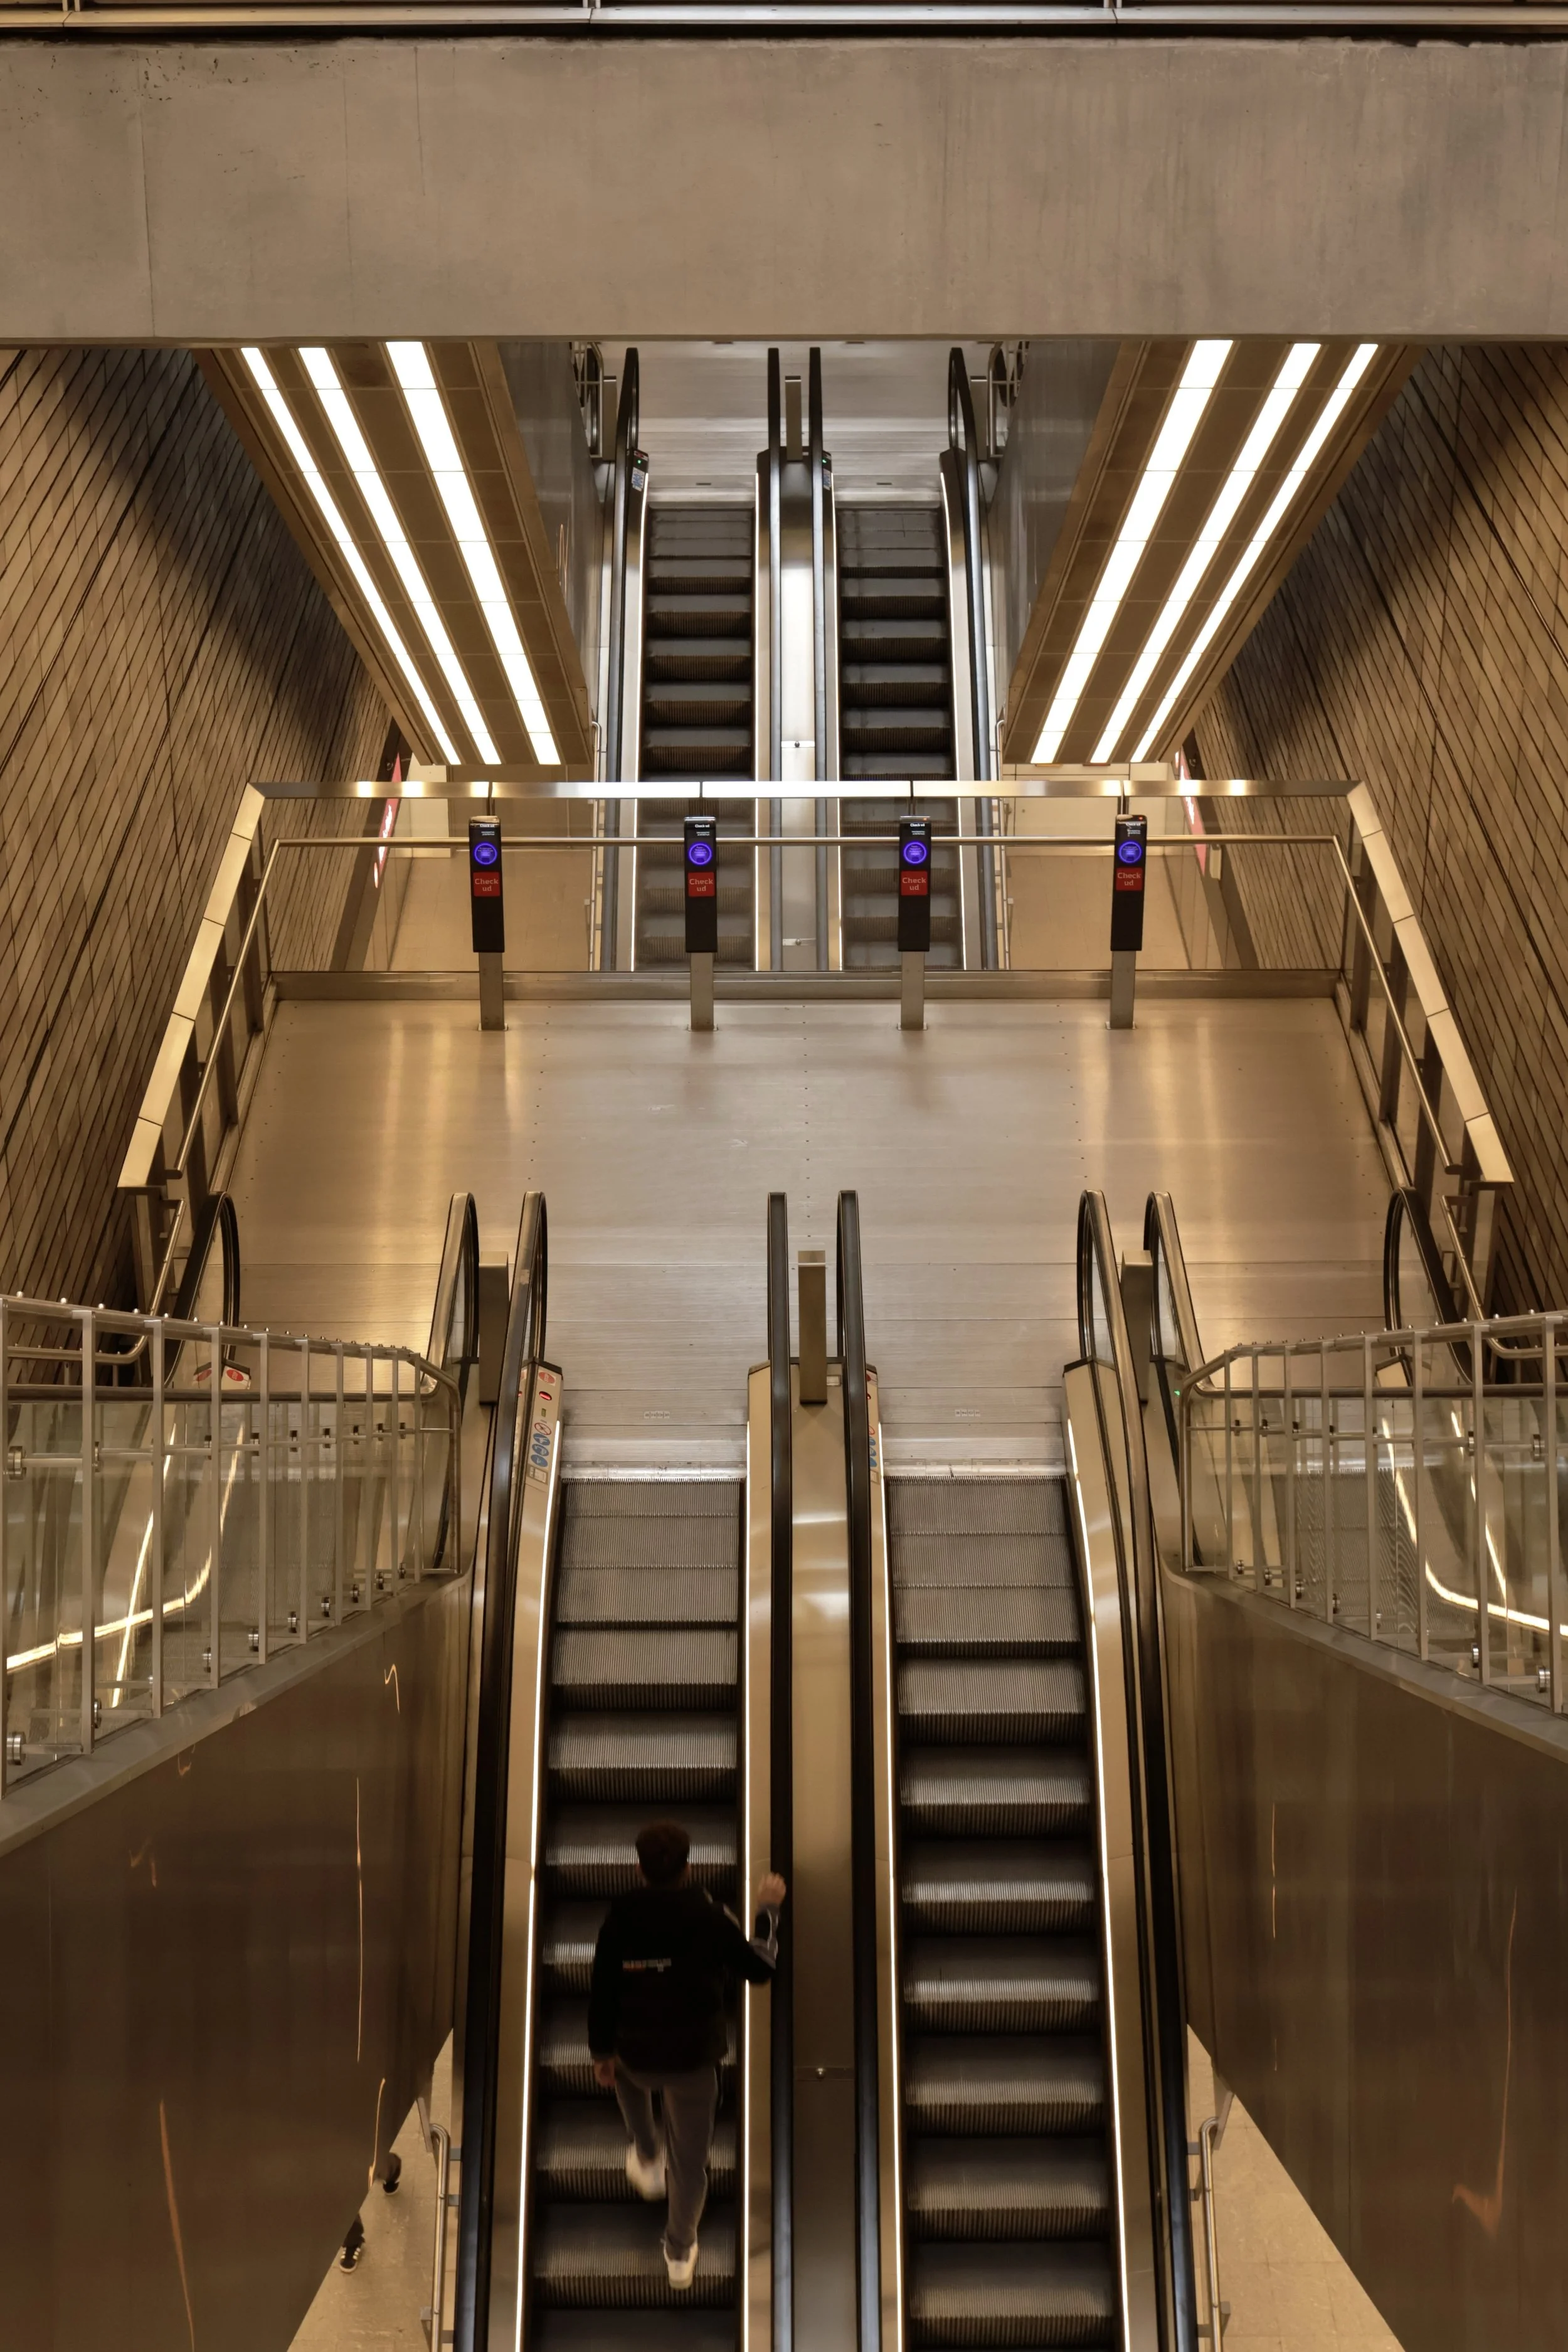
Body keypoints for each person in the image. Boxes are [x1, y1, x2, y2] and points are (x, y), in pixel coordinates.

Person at [588, 1820, 786, 2291]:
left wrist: (601, 2051)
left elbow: (602, 1992)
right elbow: (759, 1968)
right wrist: (767, 1911)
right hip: (694, 2062)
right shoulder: (710, 1916)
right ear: (688, 1868)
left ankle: (647, 2153)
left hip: (634, 2052)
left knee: (629, 2085)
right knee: (691, 2162)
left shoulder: (619, 1919)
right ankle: (679, 2252)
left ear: (638, 1870)